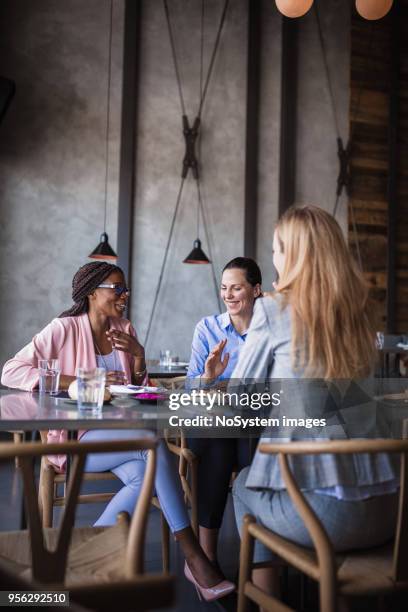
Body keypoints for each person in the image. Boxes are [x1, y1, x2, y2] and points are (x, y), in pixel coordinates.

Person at [1, 261, 234, 600]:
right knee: (151, 447)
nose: (125, 294)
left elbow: (139, 390)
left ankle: (75, 558)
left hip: (120, 435)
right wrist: (76, 381)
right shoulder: (63, 329)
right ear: (92, 292)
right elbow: (11, 369)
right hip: (75, 440)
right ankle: (194, 556)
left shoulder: (124, 328)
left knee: (144, 474)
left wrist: (138, 357)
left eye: (125, 288)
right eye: (117, 288)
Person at [230, 205, 399, 599]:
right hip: (391, 512)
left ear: (291, 255)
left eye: (275, 249)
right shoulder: (358, 314)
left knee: (242, 487)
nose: (273, 258)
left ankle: (268, 602)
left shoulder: (273, 309)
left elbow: (240, 402)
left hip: (328, 520)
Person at [186, 257, 262, 570]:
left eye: (237, 288)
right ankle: (206, 557)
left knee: (252, 449)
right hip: (212, 425)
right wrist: (208, 378)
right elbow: (191, 395)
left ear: (256, 290)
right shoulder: (207, 328)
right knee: (217, 441)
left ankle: (259, 554)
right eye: (224, 288)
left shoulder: (268, 331)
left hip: (253, 426)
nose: (228, 295)